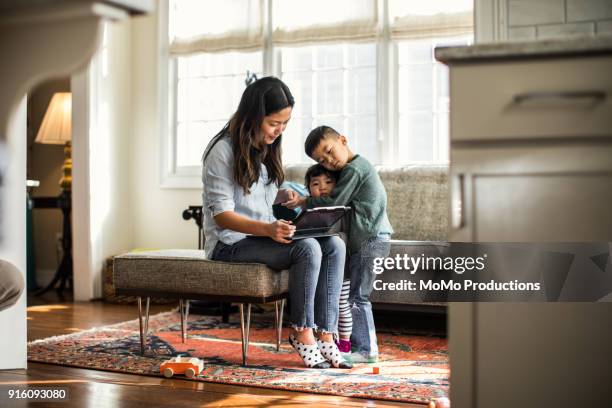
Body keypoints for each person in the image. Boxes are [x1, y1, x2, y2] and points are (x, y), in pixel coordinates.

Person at [201, 77, 351, 369]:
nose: (280, 130)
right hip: (229, 243)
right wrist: (270, 229)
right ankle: (302, 332)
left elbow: (254, 195)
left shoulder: (265, 147)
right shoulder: (221, 150)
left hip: (259, 236)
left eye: (285, 123)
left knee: (333, 243)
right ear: (253, 116)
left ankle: (326, 334)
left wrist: (282, 195)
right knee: (307, 249)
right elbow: (222, 215)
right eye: (274, 123)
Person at [286, 125, 393, 363]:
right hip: (368, 240)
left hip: (371, 239)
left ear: (343, 139)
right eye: (321, 160)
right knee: (354, 296)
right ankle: (356, 346)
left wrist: (304, 200)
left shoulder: (355, 169)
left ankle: (366, 350)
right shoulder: (353, 168)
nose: (329, 161)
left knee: (359, 298)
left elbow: (335, 201)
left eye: (330, 151)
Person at [304, 164, 352, 353]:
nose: (322, 186)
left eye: (328, 182)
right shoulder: (310, 212)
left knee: (341, 305)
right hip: (321, 269)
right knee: (324, 306)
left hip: (343, 269)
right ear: (308, 189)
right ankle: (329, 341)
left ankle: (345, 344)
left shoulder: (338, 208)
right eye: (316, 183)